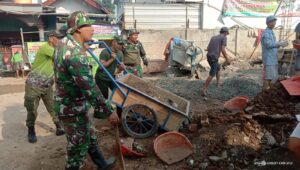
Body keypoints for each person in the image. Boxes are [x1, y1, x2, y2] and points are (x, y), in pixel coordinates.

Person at [53, 11, 119, 170]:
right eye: (88, 25)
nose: (92, 29)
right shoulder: (75, 54)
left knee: (89, 135)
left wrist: (83, 46)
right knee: (77, 149)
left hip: (72, 105)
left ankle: (102, 165)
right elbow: (90, 88)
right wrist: (109, 111)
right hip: (71, 109)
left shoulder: (64, 44)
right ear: (77, 30)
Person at [24, 30, 65, 143]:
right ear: (51, 38)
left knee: (53, 105)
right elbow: (62, 57)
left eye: (61, 38)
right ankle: (31, 130)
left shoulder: (56, 48)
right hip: (34, 85)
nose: (60, 40)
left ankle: (58, 126)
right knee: (32, 108)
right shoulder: (46, 48)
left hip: (47, 85)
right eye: (58, 38)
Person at [261, 15, 288, 90]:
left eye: (274, 22)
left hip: (272, 58)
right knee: (268, 78)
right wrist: (279, 44)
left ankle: (269, 94)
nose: (274, 23)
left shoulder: (271, 32)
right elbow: (268, 44)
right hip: (269, 59)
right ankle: (261, 96)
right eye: (272, 22)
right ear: (268, 23)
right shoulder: (266, 33)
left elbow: (273, 43)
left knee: (272, 78)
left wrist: (279, 43)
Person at [202, 27, 230, 97]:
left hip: (209, 56)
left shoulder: (213, 37)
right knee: (212, 73)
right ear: (225, 33)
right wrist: (227, 58)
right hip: (214, 57)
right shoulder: (223, 38)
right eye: (227, 34)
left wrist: (214, 50)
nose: (226, 35)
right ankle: (204, 89)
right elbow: (223, 49)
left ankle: (218, 83)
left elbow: (208, 48)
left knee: (218, 68)